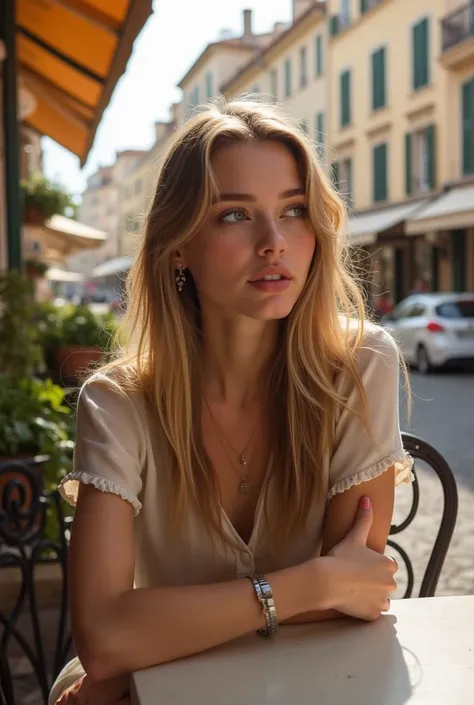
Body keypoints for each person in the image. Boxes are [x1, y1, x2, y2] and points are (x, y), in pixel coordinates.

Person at [50, 99, 414, 705]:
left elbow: (357, 598)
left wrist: (156, 628)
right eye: (234, 215)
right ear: (177, 247)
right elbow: (105, 639)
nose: (275, 242)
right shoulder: (118, 404)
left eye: (294, 210)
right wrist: (314, 583)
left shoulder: (358, 364)